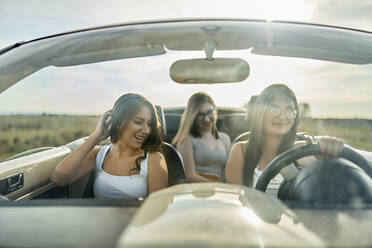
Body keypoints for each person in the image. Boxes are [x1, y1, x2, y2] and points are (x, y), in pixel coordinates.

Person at [225, 84, 344, 195]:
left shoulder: (303, 151)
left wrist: (327, 153)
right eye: (274, 109)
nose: (282, 117)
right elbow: (236, 204)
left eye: (289, 111)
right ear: (260, 113)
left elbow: (328, 191)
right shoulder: (241, 150)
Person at [50, 93, 168, 199]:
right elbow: (58, 178)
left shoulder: (153, 159)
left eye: (149, 124)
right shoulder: (99, 154)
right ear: (119, 121)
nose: (146, 130)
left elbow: (156, 211)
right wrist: (96, 136)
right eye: (138, 122)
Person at [173, 92, 231, 182]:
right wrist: (216, 186)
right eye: (200, 114)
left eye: (209, 112)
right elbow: (190, 176)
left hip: (220, 188)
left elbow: (226, 173)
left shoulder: (225, 139)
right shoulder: (186, 139)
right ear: (192, 116)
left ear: (215, 111)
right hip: (198, 189)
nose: (206, 119)